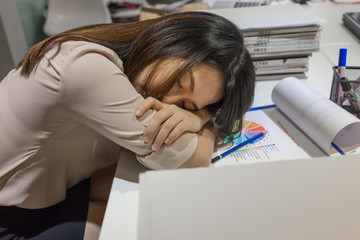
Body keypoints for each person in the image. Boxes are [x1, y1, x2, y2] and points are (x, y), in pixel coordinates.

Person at [0, 11, 255, 240]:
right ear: (170, 42)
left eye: (187, 105)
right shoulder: (87, 69)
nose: (168, 103)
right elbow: (189, 158)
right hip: (12, 219)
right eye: (179, 83)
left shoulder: (119, 56)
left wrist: (199, 117)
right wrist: (202, 121)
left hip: (55, 191)